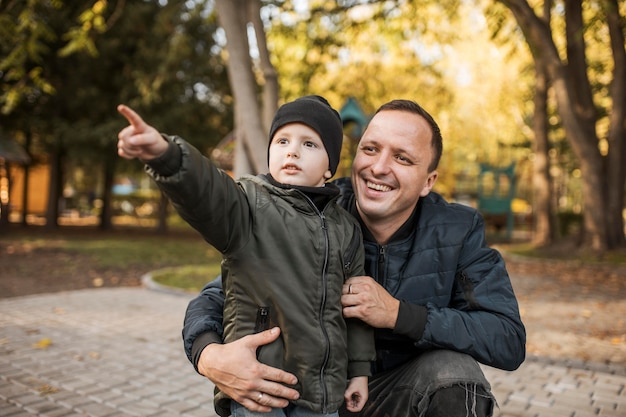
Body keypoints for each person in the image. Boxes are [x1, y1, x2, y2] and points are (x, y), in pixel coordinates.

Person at [182, 99, 527, 417]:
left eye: (402, 158)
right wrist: (210, 357)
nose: (379, 167)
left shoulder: (457, 231)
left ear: (428, 181)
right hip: (317, 396)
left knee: (456, 375)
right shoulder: (314, 209)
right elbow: (219, 294)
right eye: (371, 149)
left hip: (398, 396)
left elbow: (507, 338)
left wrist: (398, 314)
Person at [116, 96, 376, 417]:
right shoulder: (249, 204)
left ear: (329, 168)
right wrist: (166, 155)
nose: (292, 150)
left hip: (322, 392)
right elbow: (207, 192)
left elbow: (354, 308)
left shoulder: (346, 229)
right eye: (282, 140)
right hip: (258, 383)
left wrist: (359, 371)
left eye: (309, 144)